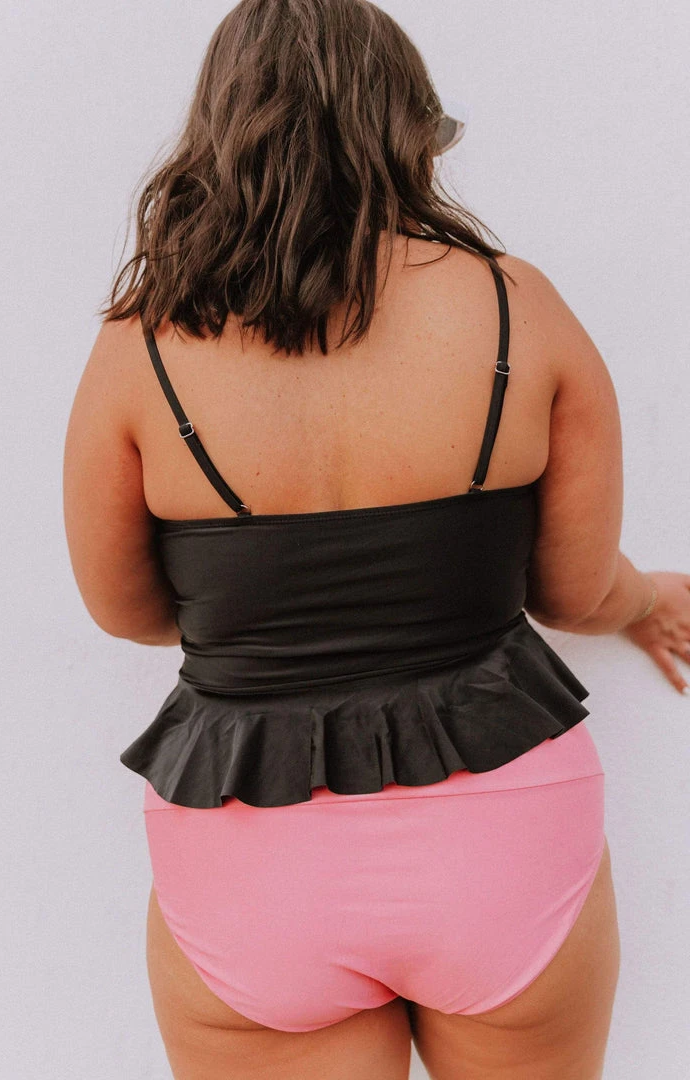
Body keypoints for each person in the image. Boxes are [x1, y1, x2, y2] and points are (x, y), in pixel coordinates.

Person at [62, 1, 690, 1077]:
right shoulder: (514, 304)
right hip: (501, 839)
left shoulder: (144, 345)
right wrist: (648, 600)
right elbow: (574, 590)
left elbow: (124, 610)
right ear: (407, 126)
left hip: (252, 849)